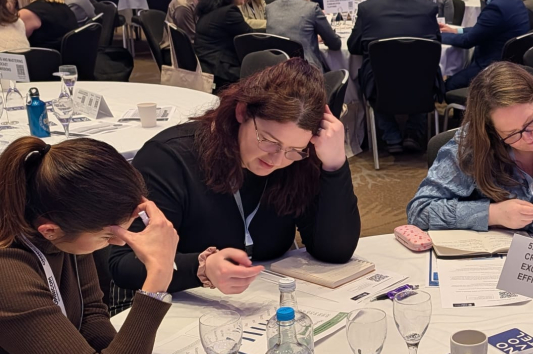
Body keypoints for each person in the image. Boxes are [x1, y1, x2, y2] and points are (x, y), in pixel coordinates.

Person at [109, 59, 360, 296]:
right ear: (241, 112)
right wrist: (201, 268)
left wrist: (335, 164)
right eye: (269, 141)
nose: (276, 160)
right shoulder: (169, 159)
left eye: (293, 150)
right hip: (181, 303)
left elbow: (335, 251)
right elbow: (122, 263)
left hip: (262, 300)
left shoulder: (298, 161)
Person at [0, 136, 186, 354]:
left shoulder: (67, 225)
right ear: (49, 231)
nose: (120, 242)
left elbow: (90, 316)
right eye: (107, 236)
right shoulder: (7, 272)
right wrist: (156, 283)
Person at [408, 62, 533, 235]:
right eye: (512, 134)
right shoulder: (473, 142)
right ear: (492, 132)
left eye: (532, 121)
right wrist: (493, 214)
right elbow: (420, 211)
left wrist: (520, 219)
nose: (529, 137)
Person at [348, 0, 441, 154]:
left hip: (381, 85)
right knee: (425, 71)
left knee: (370, 73)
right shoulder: (428, 9)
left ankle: (391, 136)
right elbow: (436, 45)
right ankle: (413, 132)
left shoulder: (368, 9)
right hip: (421, 85)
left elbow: (353, 46)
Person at [440, 0, 530, 91]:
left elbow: (467, 41)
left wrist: (437, 36)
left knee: (448, 85)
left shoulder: (496, 8)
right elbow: (483, 30)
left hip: (491, 70)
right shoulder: (514, 0)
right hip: (510, 67)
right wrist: (456, 30)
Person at [267, 0, 340, 70]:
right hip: (306, 72)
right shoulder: (312, 9)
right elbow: (335, 44)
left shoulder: (270, 8)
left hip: (277, 71)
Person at [193, 0, 251, 89]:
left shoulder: (209, 11)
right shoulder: (229, 12)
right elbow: (251, 38)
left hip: (207, 67)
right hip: (222, 73)